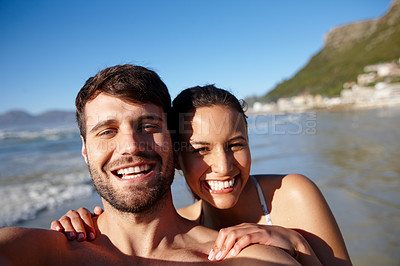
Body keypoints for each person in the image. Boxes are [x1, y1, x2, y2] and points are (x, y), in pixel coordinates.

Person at [0, 65, 299, 265]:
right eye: (107, 131)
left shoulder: (243, 256)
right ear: (84, 150)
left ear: (173, 141)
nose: (131, 146)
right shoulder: (34, 253)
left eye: (148, 125)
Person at [51, 84, 352, 265]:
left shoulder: (290, 194)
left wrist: (296, 244)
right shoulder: (184, 224)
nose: (223, 166)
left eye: (235, 145)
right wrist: (85, 226)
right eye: (200, 150)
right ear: (176, 157)